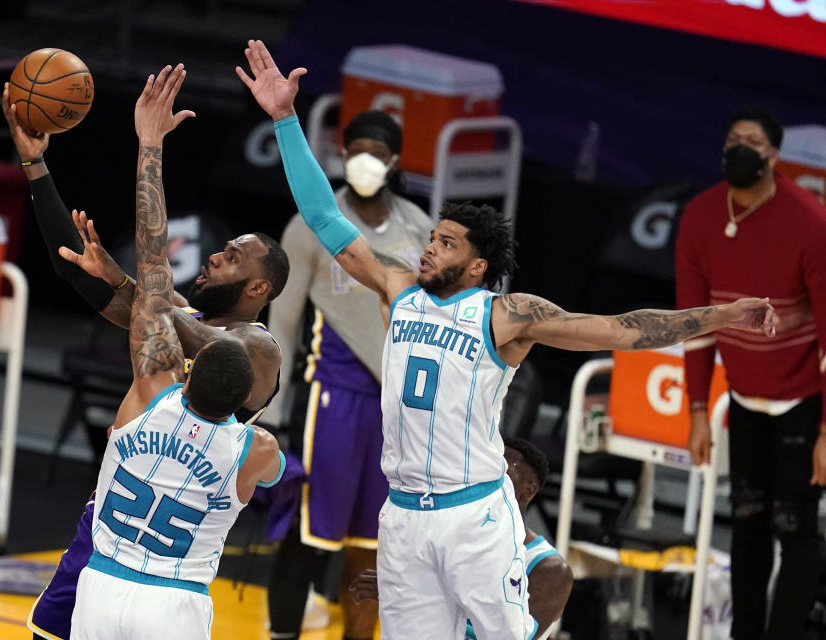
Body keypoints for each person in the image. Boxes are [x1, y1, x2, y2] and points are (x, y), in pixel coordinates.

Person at [235, 39, 777, 640]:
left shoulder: (505, 315)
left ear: (474, 268)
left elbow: (623, 329)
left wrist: (721, 317)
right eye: (432, 236)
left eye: (446, 243)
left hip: (473, 516)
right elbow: (321, 215)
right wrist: (286, 119)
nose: (429, 246)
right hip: (406, 514)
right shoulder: (396, 286)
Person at [2, 78, 290, 640]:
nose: (213, 254)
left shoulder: (259, 355)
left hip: (165, 560)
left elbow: (165, 311)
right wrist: (37, 168)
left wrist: (136, 291)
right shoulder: (183, 320)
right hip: (110, 532)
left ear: (258, 289)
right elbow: (68, 267)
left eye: (232, 258)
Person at [263, 110, 432, 640]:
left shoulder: (419, 226)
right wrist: (268, 411)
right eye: (354, 149)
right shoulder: (313, 222)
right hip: (331, 396)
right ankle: (281, 631)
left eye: (376, 153)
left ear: (395, 161)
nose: (364, 161)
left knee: (373, 543)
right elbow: (283, 322)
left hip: (396, 406)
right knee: (311, 534)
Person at [676, 105, 826, 640]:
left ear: (774, 156)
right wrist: (697, 410)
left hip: (803, 401)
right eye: (733, 138)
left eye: (754, 141)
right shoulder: (698, 217)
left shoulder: (810, 222)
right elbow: (695, 326)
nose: (741, 148)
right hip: (743, 399)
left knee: (796, 529)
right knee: (746, 524)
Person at [348, 437, 574, 640]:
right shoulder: (447, 538)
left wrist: (410, 593)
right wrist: (401, 592)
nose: (487, 477)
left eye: (501, 470)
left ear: (528, 490)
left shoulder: (551, 569)